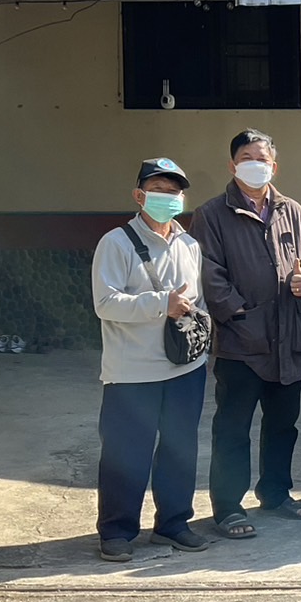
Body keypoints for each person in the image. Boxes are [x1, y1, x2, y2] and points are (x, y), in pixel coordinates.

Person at [191, 129, 301, 540]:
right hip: (241, 343)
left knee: (284, 423)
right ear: (233, 165)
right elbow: (209, 275)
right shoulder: (211, 215)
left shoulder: (293, 212)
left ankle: (276, 492)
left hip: (290, 338)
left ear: (274, 165)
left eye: (262, 158)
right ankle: (228, 507)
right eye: (247, 157)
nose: (256, 164)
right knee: (233, 427)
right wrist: (239, 315)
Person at [90, 158, 209, 561]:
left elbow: (198, 302)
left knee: (180, 448)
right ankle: (116, 531)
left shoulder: (189, 245)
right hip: (132, 370)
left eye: (174, 191)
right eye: (158, 189)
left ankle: (174, 523)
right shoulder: (116, 243)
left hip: (184, 368)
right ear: (139, 195)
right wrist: (162, 303)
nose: (167, 197)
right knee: (126, 451)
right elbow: (105, 303)